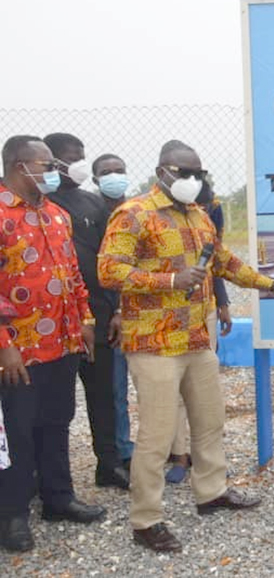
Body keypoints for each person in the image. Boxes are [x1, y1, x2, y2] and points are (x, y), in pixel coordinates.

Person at [98, 140, 274, 553]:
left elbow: (224, 261)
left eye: (198, 174)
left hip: (195, 339)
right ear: (163, 172)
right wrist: (168, 281)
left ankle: (211, 493)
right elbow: (108, 270)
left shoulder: (198, 215)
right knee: (156, 436)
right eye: (185, 173)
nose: (193, 181)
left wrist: (272, 285)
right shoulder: (133, 214)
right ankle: (146, 519)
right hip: (154, 344)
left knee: (209, 422)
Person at [0, 135, 105, 553]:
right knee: (18, 432)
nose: (53, 173)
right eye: (46, 165)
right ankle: (13, 515)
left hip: (62, 343)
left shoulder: (57, 215)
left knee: (57, 422)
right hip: (17, 351)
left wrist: (87, 320)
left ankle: (58, 499)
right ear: (18, 166)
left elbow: (74, 275)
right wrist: (3, 344)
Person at [45, 134, 129, 490]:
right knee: (53, 408)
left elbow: (114, 260)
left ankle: (108, 465)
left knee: (104, 398)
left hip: (99, 316)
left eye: (82, 157)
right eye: (70, 158)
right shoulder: (38, 206)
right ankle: (46, 478)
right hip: (54, 325)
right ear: (52, 163)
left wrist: (118, 310)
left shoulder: (93, 204)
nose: (79, 163)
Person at [165, 177, 230, 484]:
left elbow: (217, 259)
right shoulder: (143, 215)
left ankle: (209, 469)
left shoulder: (209, 209)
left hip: (202, 313)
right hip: (164, 317)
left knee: (204, 394)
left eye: (196, 172)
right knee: (174, 391)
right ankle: (179, 456)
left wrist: (223, 302)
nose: (189, 178)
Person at [92, 153, 135, 470]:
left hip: (144, 312)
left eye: (119, 170)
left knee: (155, 389)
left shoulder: (137, 211)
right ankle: (123, 451)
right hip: (112, 315)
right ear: (95, 180)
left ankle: (158, 449)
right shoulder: (90, 214)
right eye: (106, 172)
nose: (114, 176)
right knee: (116, 389)